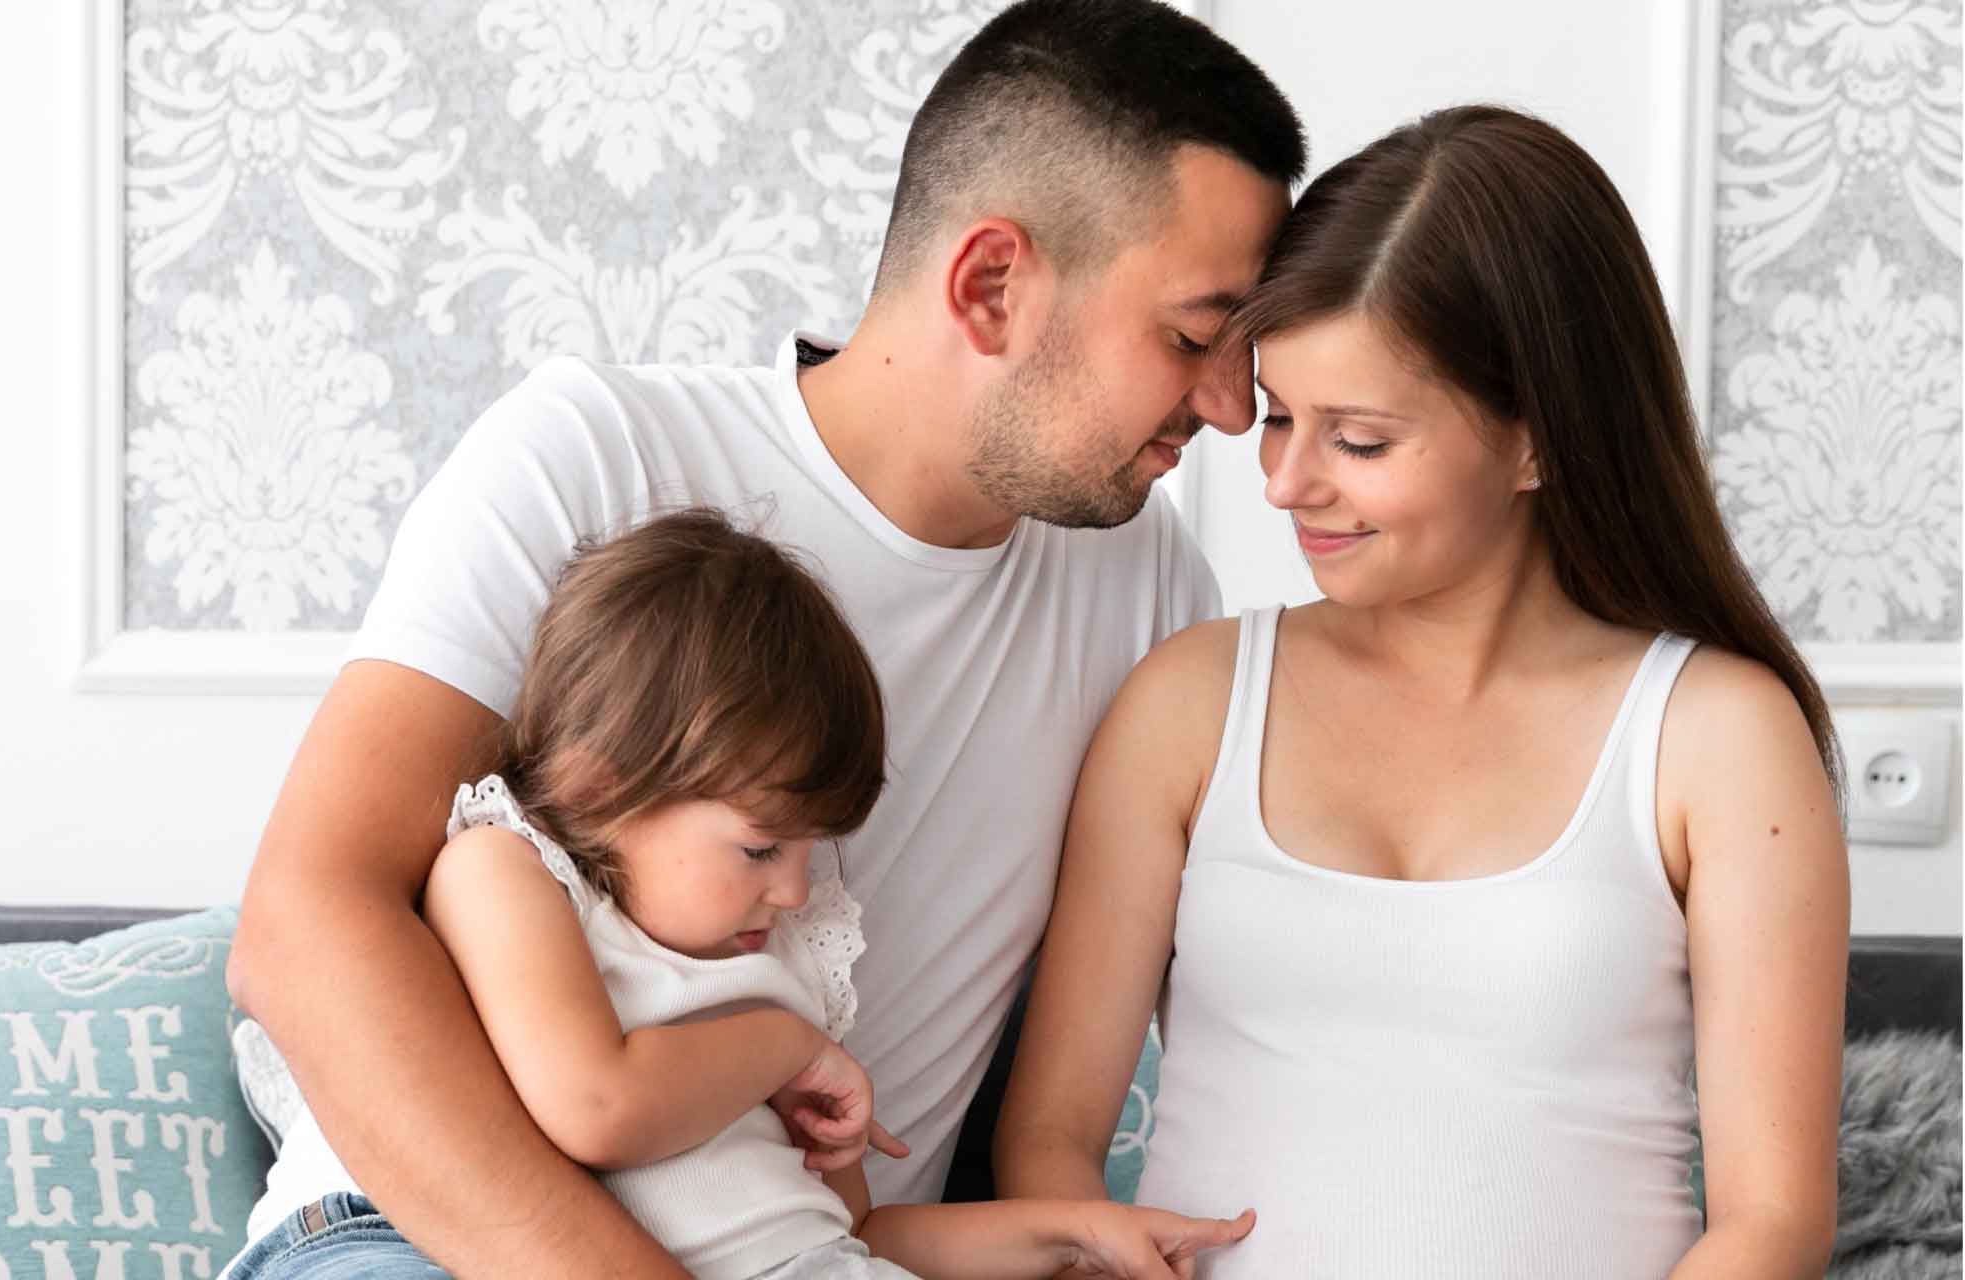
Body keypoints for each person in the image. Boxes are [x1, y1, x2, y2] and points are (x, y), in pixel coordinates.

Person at [226, 0, 1306, 1274]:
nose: (1231, 408)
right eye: (1192, 336)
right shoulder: (593, 456)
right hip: (426, 1240)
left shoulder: (1149, 592)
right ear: (990, 285)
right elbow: (306, 926)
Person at [994, 104, 1850, 1278]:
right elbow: (1048, 1143)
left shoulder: (1717, 735)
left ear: (1536, 440)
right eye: (1279, 416)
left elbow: (1773, 1218)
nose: (1284, 482)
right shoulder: (1189, 702)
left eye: (1357, 440)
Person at [234, 509, 1257, 1280]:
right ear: (599, 785)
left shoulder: (790, 960)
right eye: (761, 846)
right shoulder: (510, 868)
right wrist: (786, 1048)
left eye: (810, 847)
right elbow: (597, 1106)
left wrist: (1070, 1229)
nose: (796, 887)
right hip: (410, 1244)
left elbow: (853, 1231)